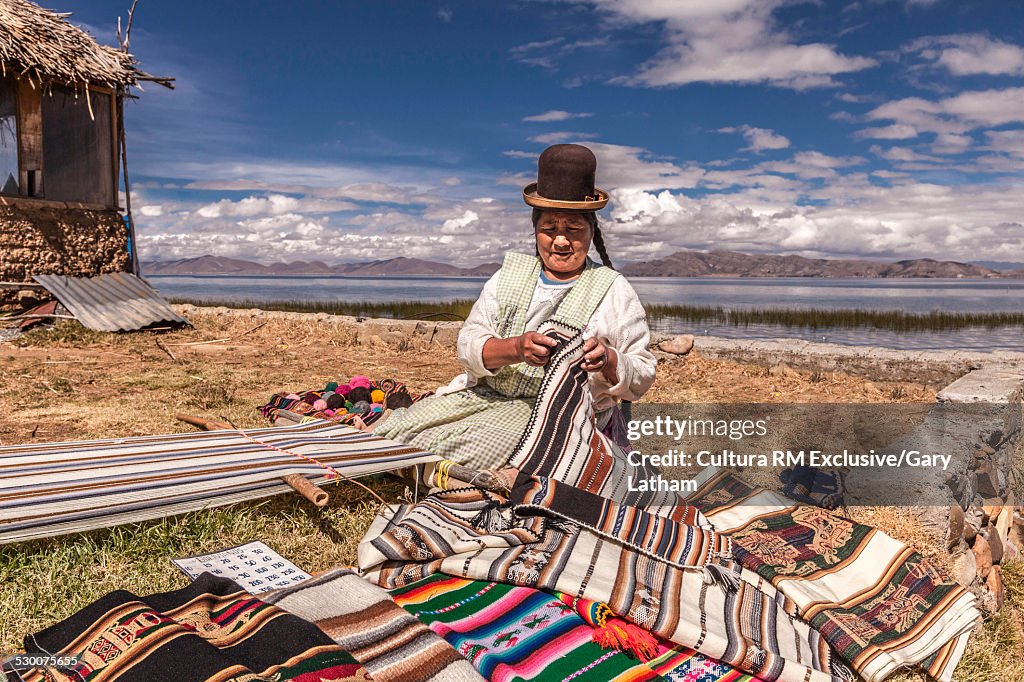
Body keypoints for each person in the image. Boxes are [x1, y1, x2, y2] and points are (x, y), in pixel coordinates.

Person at [374, 144, 656, 471]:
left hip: (563, 413)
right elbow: (469, 345)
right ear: (535, 230)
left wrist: (609, 360)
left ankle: (420, 468)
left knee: (455, 449)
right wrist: (515, 349)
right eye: (550, 229)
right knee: (393, 431)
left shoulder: (613, 289)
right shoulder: (508, 277)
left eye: (574, 230)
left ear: (591, 233)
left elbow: (642, 375)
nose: (561, 241)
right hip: (486, 397)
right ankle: (394, 458)